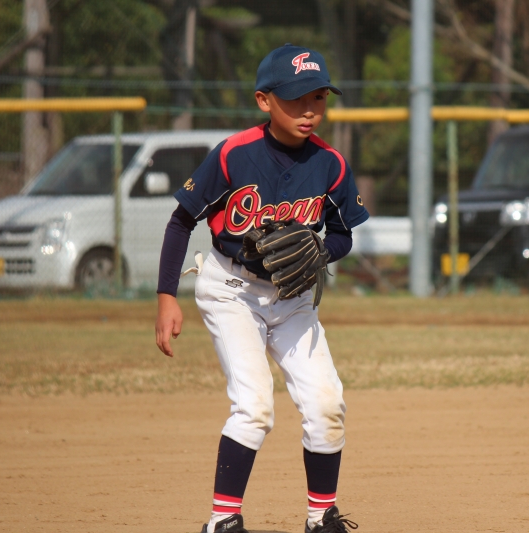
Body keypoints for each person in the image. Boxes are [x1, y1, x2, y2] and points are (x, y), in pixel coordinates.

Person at [154, 44, 368, 533]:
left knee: (327, 403)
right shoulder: (234, 154)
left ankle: (322, 517)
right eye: (296, 99)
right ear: (264, 100)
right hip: (231, 289)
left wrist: (321, 252)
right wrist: (167, 297)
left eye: (318, 97)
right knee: (255, 406)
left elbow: (343, 234)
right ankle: (222, 521)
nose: (309, 110)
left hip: (293, 297)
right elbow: (181, 221)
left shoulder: (331, 164)